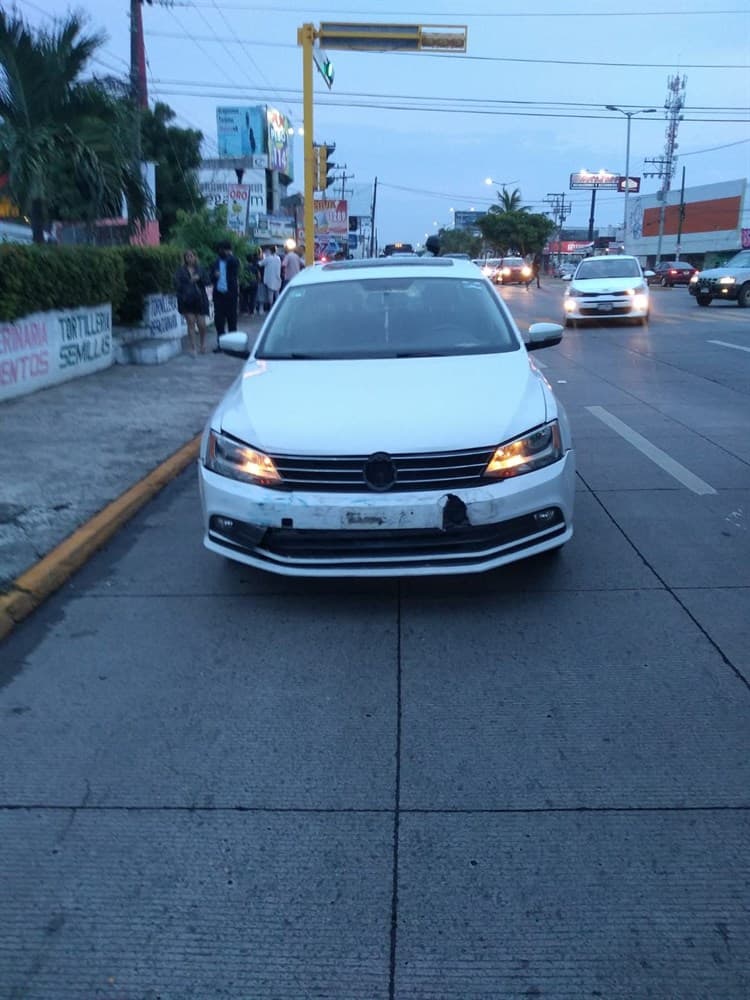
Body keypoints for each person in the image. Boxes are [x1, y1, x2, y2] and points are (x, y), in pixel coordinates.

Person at [174, 250, 209, 356]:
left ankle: (202, 344)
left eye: (191, 256)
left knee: (202, 324)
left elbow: (208, 281)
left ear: (195, 257)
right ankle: (193, 347)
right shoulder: (180, 271)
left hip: (200, 299)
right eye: (187, 256)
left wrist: (199, 278)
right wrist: (189, 282)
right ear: (185, 258)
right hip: (187, 300)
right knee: (191, 323)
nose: (189, 258)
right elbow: (176, 284)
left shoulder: (200, 269)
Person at [210, 240, 239, 352]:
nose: (220, 252)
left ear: (227, 250)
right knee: (219, 321)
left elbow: (235, 264)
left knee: (232, 320)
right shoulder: (215, 262)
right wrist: (214, 275)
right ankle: (221, 344)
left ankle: (233, 345)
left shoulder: (232, 261)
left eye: (222, 250)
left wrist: (229, 254)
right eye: (219, 250)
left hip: (230, 295)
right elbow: (210, 277)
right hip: (219, 295)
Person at [258, 245, 282, 312]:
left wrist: (261, 258)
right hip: (277, 278)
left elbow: (260, 264)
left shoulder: (268, 258)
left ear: (270, 251)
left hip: (270, 279)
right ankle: (278, 308)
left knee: (270, 295)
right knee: (277, 294)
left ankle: (271, 308)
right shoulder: (278, 258)